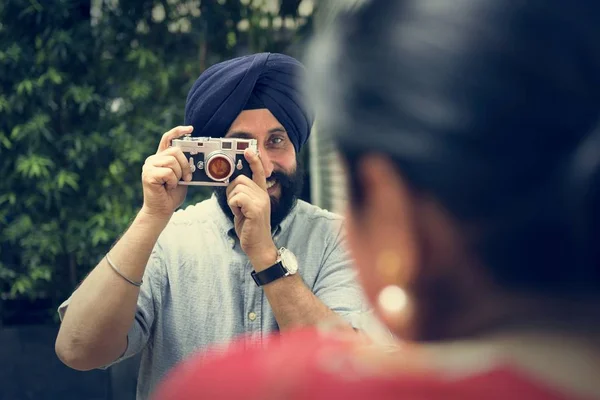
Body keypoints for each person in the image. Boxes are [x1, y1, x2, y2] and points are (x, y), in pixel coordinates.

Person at [152, 1, 600, 399]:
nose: (262, 166)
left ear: (390, 214)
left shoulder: (231, 385)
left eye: (277, 141)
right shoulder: (176, 235)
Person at [55, 52, 366, 399]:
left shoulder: (338, 237)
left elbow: (351, 373)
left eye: (276, 141)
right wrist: (151, 216)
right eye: (241, 145)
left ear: (297, 148)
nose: (260, 163)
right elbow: (77, 350)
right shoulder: (167, 238)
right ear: (214, 155)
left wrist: (266, 255)